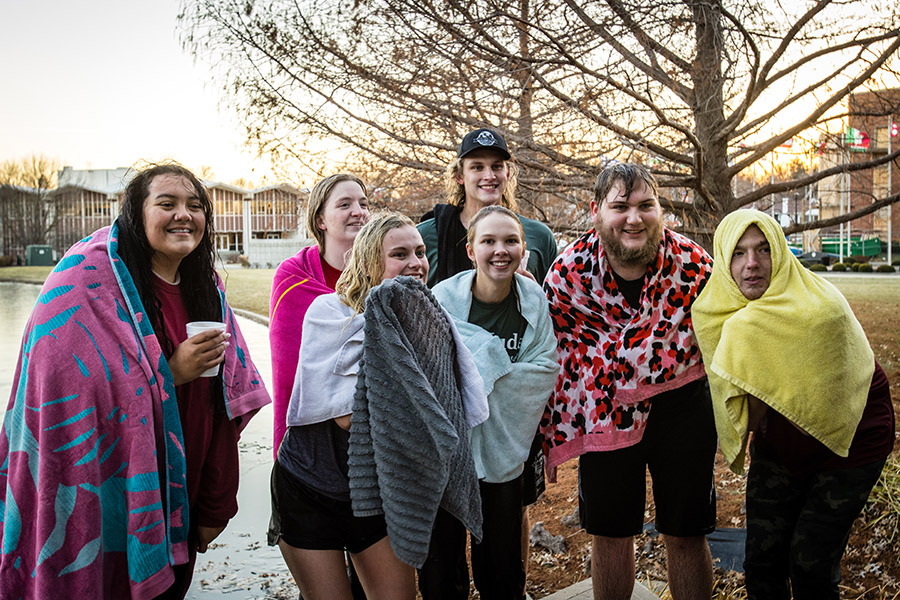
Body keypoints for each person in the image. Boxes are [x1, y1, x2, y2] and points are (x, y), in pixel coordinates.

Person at [0, 163, 270, 599]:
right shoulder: (84, 287)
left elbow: (220, 405)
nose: (184, 214)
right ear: (135, 215)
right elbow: (63, 403)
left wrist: (215, 504)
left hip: (182, 504)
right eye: (167, 204)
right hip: (106, 507)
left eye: (195, 206)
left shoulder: (208, 291)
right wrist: (172, 372)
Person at [692, 209, 894, 600]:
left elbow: (811, 415)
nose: (752, 264)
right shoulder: (719, 314)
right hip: (780, 439)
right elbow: (747, 420)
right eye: (738, 252)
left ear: (782, 254)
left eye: (764, 249)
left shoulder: (820, 309)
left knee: (810, 563)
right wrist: (745, 342)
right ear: (723, 260)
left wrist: (746, 342)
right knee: (762, 560)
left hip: (851, 440)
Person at [541, 163, 716, 600]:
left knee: (687, 531)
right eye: (620, 206)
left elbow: (730, 338)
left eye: (645, 205)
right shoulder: (569, 276)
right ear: (596, 210)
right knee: (611, 533)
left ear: (661, 210)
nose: (634, 218)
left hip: (683, 403)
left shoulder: (694, 266)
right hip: (603, 413)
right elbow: (556, 351)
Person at [417, 127, 557, 598]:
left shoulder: (537, 238)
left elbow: (544, 357)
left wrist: (486, 367)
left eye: (496, 165)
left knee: (503, 547)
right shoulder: (430, 237)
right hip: (447, 445)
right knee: (443, 564)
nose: (488, 174)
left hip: (508, 441)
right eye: (476, 165)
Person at [270, 213, 439, 600]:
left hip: (377, 494)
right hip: (309, 487)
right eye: (400, 253)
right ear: (368, 262)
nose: (415, 262)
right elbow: (349, 416)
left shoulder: (428, 322)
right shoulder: (329, 314)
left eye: (420, 251)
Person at [268, 174, 371, 599]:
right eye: (344, 203)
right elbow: (295, 378)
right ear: (321, 219)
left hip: (372, 458)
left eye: (363, 203)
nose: (358, 211)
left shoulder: (383, 270)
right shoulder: (295, 279)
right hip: (313, 457)